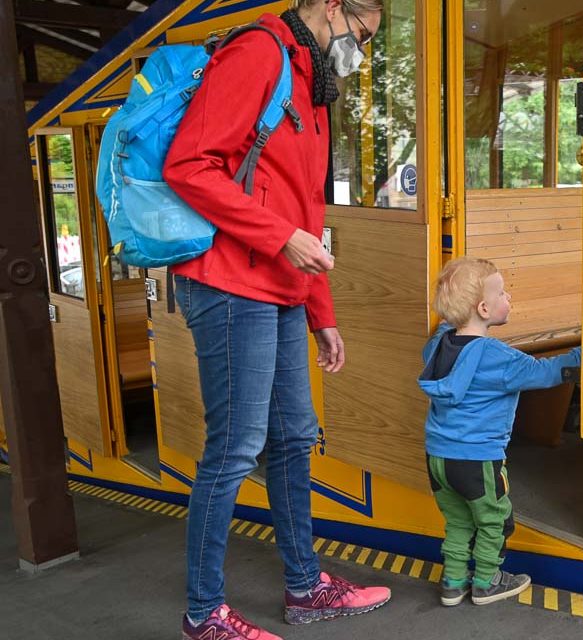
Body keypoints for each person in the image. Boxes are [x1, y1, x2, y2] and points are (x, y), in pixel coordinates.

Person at [163, 1, 390, 637]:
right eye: (361, 33)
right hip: (230, 280)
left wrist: (323, 312)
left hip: (283, 287)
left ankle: (305, 587)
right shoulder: (258, 52)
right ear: (333, 6)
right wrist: (279, 238)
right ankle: (204, 615)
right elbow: (188, 165)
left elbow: (306, 211)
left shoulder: (311, 81)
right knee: (235, 447)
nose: (361, 49)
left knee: (294, 436)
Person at [418, 257, 582, 606]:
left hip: (437, 458)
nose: (510, 298)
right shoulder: (499, 357)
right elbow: (550, 372)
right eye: (504, 292)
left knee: (459, 520)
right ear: (483, 308)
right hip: (478, 460)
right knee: (495, 520)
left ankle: (453, 581)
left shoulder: (438, 345)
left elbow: (442, 330)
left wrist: (454, 312)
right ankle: (487, 582)